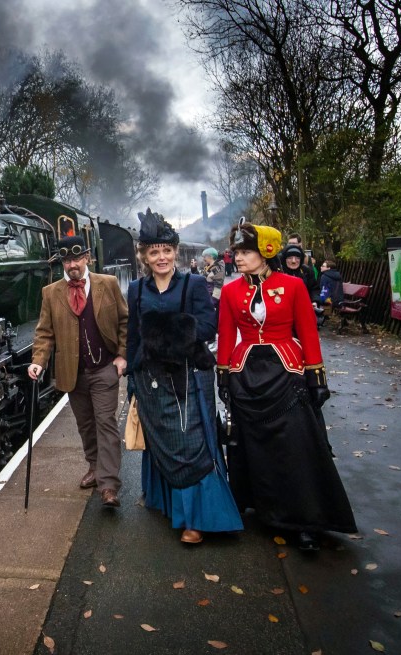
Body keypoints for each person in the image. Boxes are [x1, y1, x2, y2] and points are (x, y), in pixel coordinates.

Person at [217, 221, 357, 551]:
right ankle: (261, 510)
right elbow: (225, 335)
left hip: (287, 373)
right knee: (252, 449)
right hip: (245, 373)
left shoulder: (293, 286)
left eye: (245, 251)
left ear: (266, 252)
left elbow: (308, 333)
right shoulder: (230, 291)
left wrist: (317, 377)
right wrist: (223, 377)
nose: (238, 258)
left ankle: (305, 520)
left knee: (297, 448)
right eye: (236, 252)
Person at [125, 210, 243, 544]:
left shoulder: (192, 284)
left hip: (189, 376)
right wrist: (132, 375)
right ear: (145, 256)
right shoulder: (135, 290)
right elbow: (133, 336)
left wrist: (165, 335)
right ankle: (168, 504)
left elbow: (208, 325)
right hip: (151, 379)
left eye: (166, 250)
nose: (161, 257)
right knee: (162, 439)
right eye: (153, 252)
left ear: (175, 252)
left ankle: (197, 519)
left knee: (191, 445)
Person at [28, 235, 129, 508]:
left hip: (104, 369)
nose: (72, 264)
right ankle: (95, 467)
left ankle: (109, 486)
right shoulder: (51, 292)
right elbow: (45, 333)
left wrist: (122, 356)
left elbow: (124, 321)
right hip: (73, 373)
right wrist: (39, 360)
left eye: (76, 258)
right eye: (67, 260)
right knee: (86, 426)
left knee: (106, 424)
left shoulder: (107, 284)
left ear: (87, 257)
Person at [318, 259, 345, 325]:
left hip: (330, 300)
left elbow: (323, 290)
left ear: (328, 268)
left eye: (323, 266)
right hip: (338, 299)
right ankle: (325, 317)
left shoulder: (324, 276)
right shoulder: (337, 275)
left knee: (313, 299)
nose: (321, 267)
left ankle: (319, 321)